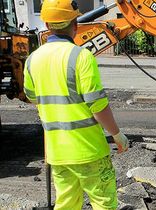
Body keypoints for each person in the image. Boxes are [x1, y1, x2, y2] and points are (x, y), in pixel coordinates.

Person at [23, 0, 129, 209]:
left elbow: (32, 97)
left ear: (46, 25)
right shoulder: (81, 57)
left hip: (57, 153)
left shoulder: (32, 60)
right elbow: (97, 106)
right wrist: (117, 135)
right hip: (89, 151)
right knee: (104, 202)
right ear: (76, 24)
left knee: (67, 204)